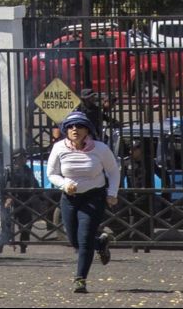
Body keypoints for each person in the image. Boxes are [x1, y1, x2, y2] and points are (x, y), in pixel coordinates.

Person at [47, 110, 120, 294]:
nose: (74, 129)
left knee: (85, 238)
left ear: (87, 130)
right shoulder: (59, 148)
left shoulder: (100, 148)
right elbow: (52, 174)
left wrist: (112, 193)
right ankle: (100, 243)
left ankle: (80, 279)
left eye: (79, 126)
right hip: (70, 199)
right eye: (70, 126)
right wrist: (64, 183)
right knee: (74, 239)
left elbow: (113, 171)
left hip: (93, 197)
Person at [0, 149, 42, 254]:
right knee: (7, 224)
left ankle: (23, 246)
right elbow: (3, 186)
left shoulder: (27, 170)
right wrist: (7, 197)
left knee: (26, 225)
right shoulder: (8, 170)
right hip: (11, 201)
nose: (24, 159)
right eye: (21, 157)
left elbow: (35, 184)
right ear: (15, 159)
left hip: (26, 201)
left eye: (25, 157)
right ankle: (1, 245)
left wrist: (40, 195)